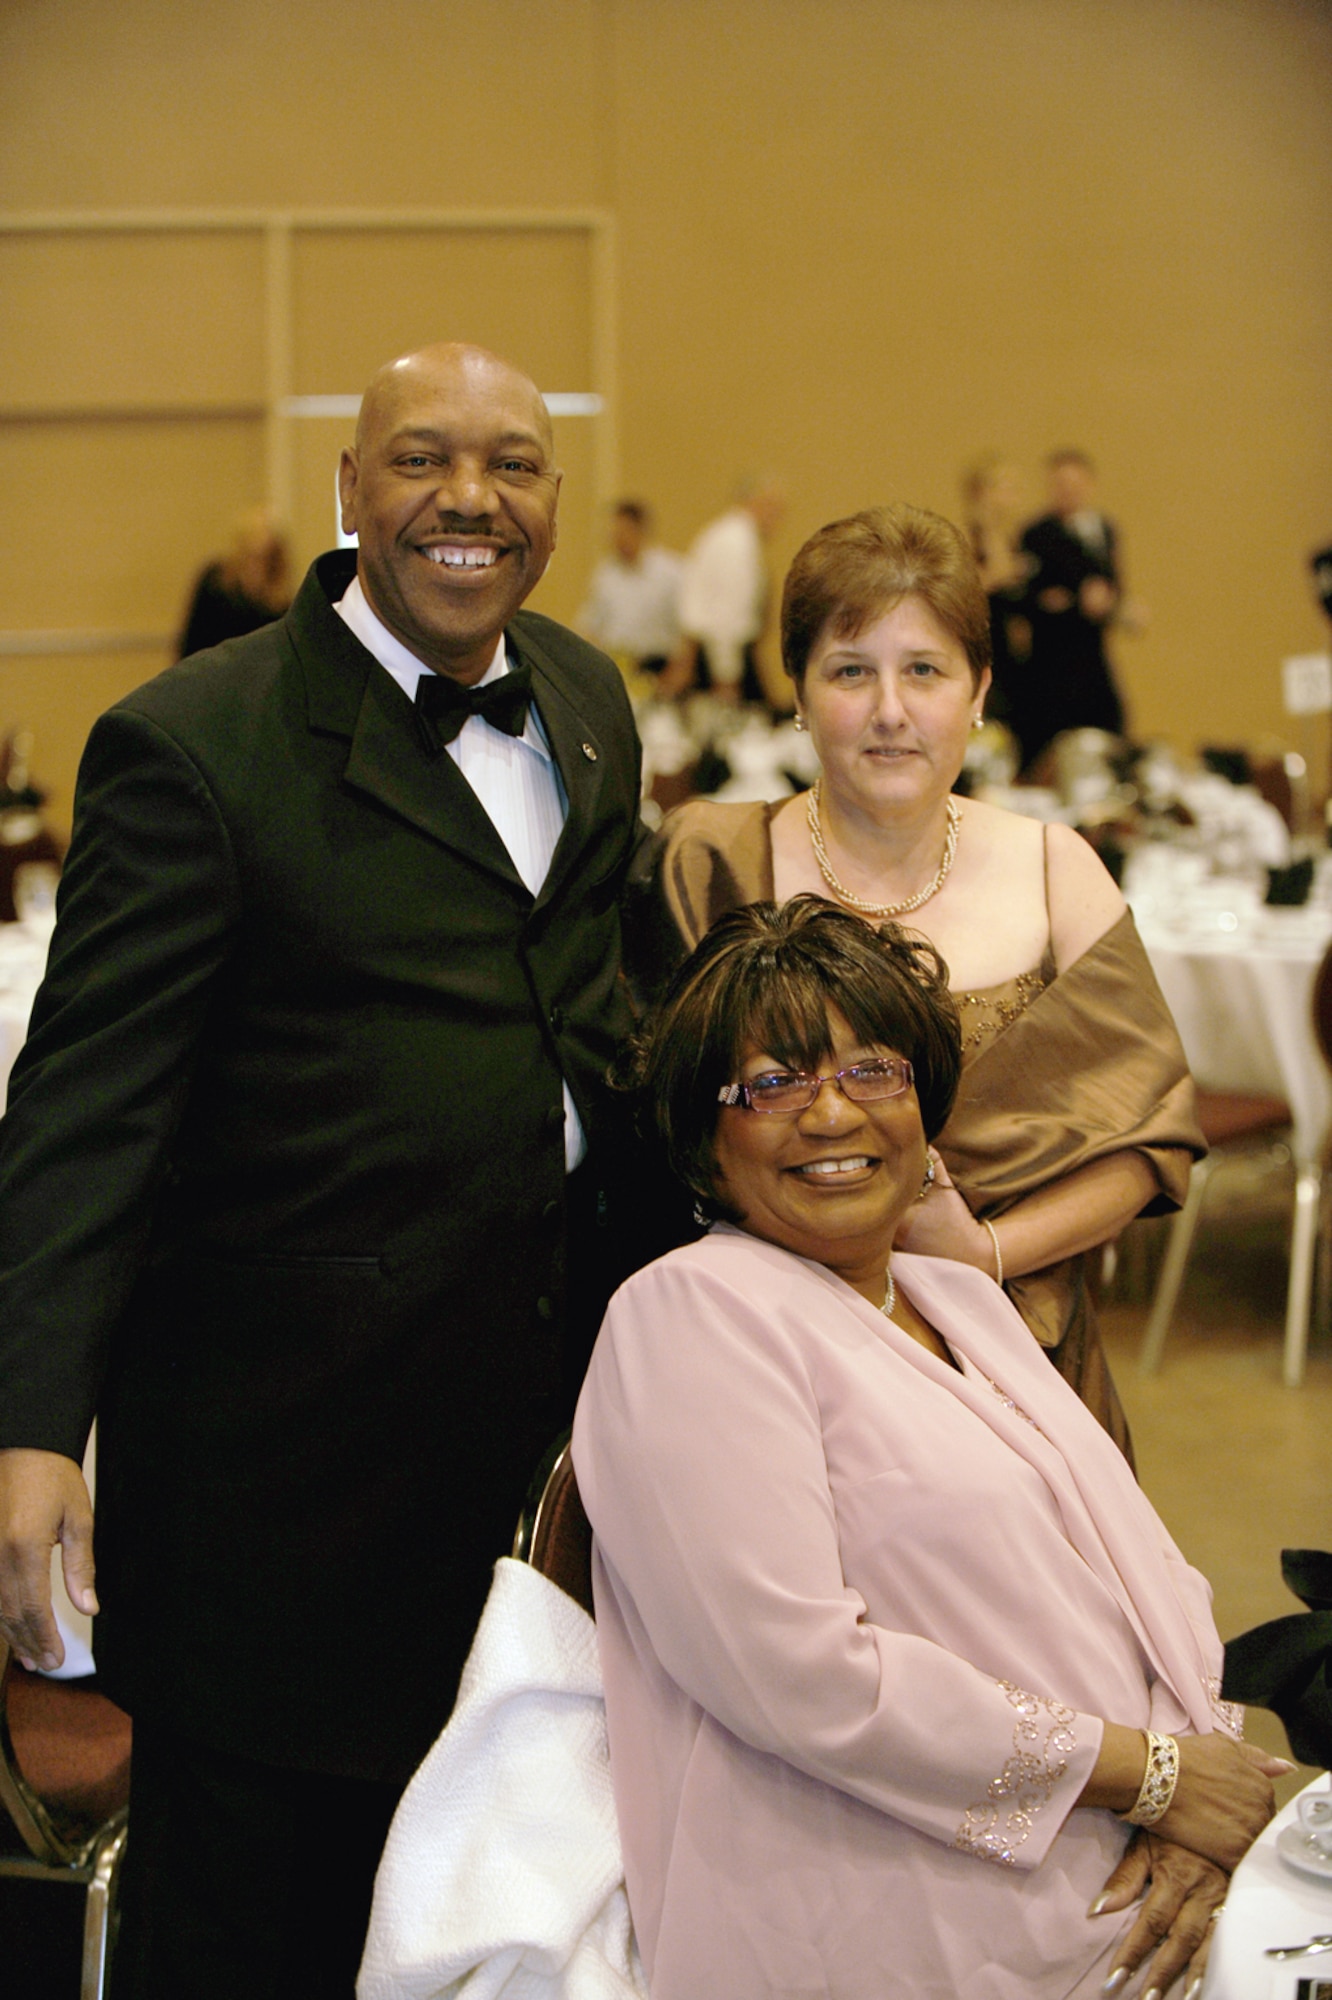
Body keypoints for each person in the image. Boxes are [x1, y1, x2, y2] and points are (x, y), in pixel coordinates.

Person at [0, 341, 644, 1996]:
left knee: (505, 1904)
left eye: (511, 463)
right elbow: (84, 1114)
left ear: (552, 499)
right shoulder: (194, 744)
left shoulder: (585, 699)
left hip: (535, 1452)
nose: (468, 499)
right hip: (280, 1489)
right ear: (350, 490)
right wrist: (30, 1426)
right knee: (257, 1936)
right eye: (422, 458)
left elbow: (589, 1007)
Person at [573, 897, 1288, 2000]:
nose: (832, 1113)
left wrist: (1195, 1790)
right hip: (883, 1915)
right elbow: (798, 1676)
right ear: (702, 1139)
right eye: (773, 1083)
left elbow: (1147, 1566)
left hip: (1124, 1863)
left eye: (873, 1071)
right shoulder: (691, 1316)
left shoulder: (956, 1297)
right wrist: (1151, 1776)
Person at [627, 502, 1202, 1459]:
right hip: (766, 1364)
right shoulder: (710, 863)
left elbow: (1149, 1138)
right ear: (800, 694)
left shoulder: (1057, 871)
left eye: (925, 671)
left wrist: (984, 1254)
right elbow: (655, 1140)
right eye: (851, 671)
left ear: (979, 692)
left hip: (1015, 1360)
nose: (890, 710)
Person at [1018, 449, 1127, 764]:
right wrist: (1077, 601)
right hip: (1053, 657)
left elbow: (1114, 581)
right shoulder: (1037, 533)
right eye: (1060, 484)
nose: (1068, 491)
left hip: (1093, 650)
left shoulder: (1104, 528)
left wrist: (1113, 601)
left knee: (1109, 724)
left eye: (1075, 484)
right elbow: (1033, 596)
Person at [673, 478, 786, 704]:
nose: (777, 518)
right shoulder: (737, 543)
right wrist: (727, 676)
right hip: (722, 657)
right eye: (772, 507)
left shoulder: (726, 535)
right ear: (753, 502)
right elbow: (727, 613)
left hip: (719, 652)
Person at [959, 452, 1034, 746]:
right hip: (982, 643)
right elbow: (963, 587)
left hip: (1011, 651)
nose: (1014, 497)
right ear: (982, 492)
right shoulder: (967, 537)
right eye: (1007, 487)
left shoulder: (1012, 538)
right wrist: (998, 575)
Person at [576, 498, 684, 680]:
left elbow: (686, 629)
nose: (618, 538)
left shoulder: (671, 572)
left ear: (641, 530)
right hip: (616, 664)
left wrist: (677, 673)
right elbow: (590, 626)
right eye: (615, 532)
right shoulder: (605, 574)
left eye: (624, 531)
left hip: (658, 665)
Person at [176, 502, 293, 657]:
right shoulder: (215, 583)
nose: (255, 565)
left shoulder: (279, 604)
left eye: (264, 557)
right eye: (251, 555)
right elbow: (191, 641)